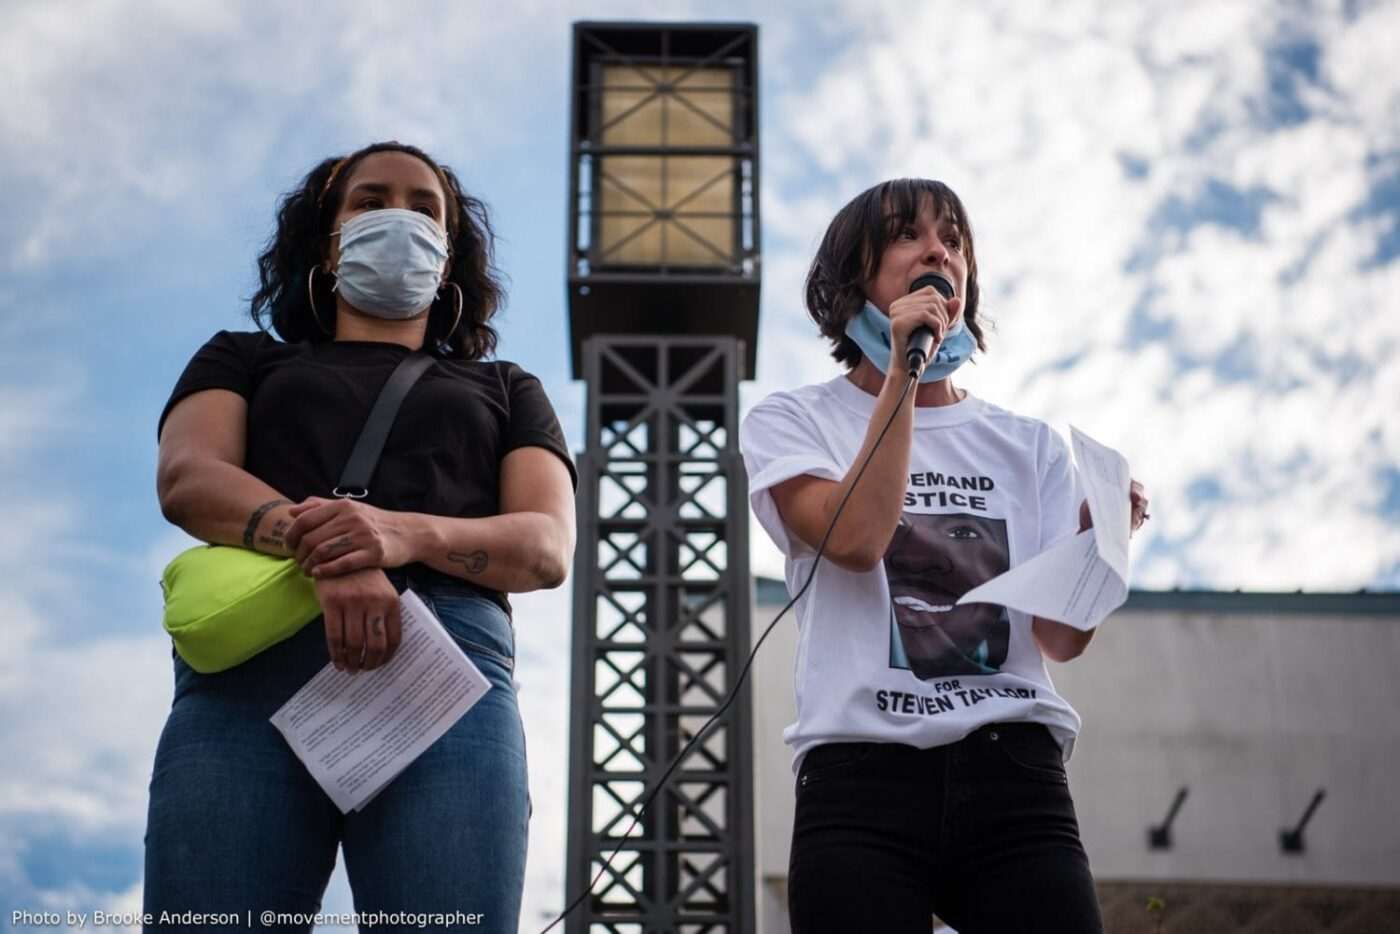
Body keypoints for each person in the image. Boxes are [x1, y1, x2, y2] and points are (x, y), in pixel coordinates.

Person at [146, 141, 577, 932]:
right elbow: (188, 479)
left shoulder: (508, 389)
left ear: (449, 257)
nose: (397, 217)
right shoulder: (241, 359)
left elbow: (544, 546)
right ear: (327, 238)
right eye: (370, 201)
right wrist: (332, 551)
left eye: (424, 209)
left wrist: (395, 535)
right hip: (253, 675)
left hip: (446, 678)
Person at [739, 178, 1149, 933]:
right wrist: (904, 367)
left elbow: (1060, 638)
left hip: (1014, 777)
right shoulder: (794, 420)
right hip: (860, 773)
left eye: (954, 240)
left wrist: (1099, 544)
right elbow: (857, 541)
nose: (938, 251)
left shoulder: (1027, 445)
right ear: (851, 275)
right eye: (908, 234)